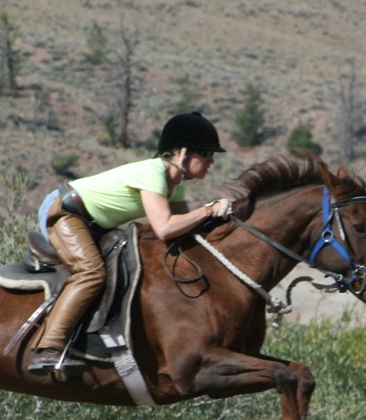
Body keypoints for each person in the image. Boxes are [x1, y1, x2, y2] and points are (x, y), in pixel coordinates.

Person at [29, 111, 233, 374]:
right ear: (182, 153)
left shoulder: (176, 184)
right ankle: (47, 349)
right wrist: (208, 210)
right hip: (64, 213)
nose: (212, 161)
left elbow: (184, 225)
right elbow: (165, 228)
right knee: (91, 272)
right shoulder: (152, 173)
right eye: (205, 154)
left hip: (94, 224)